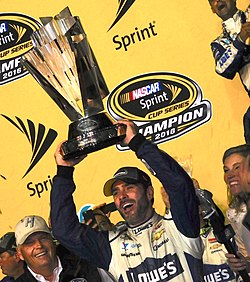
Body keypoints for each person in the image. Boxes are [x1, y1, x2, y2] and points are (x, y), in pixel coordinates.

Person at [50, 119, 204, 281]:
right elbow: (63, 229)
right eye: (115, 192)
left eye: (129, 188)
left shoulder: (178, 226)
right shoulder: (111, 246)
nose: (122, 196)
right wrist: (64, 171)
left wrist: (137, 143)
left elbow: (179, 185)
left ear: (150, 193)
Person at [14, 215, 104, 282]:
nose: (39, 245)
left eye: (43, 238)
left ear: (52, 240)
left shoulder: (83, 261)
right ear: (19, 254)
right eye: (29, 242)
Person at [208, 0, 250, 143]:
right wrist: (240, 40)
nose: (218, 1)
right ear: (212, 9)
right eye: (213, 0)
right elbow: (223, 69)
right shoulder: (219, 43)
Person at [222, 144, 250, 274]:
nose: (230, 175)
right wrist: (242, 265)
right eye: (226, 170)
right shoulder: (234, 214)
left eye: (237, 167)